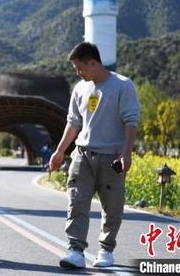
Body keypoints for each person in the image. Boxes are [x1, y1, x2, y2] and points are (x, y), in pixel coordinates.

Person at [49, 42, 139, 268]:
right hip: (83, 154)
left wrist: (126, 155)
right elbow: (73, 123)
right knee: (77, 201)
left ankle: (106, 250)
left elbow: (131, 122)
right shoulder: (80, 89)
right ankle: (75, 251)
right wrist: (60, 151)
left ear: (93, 62)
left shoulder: (122, 85)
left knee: (112, 205)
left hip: (112, 157)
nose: (78, 73)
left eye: (80, 68)